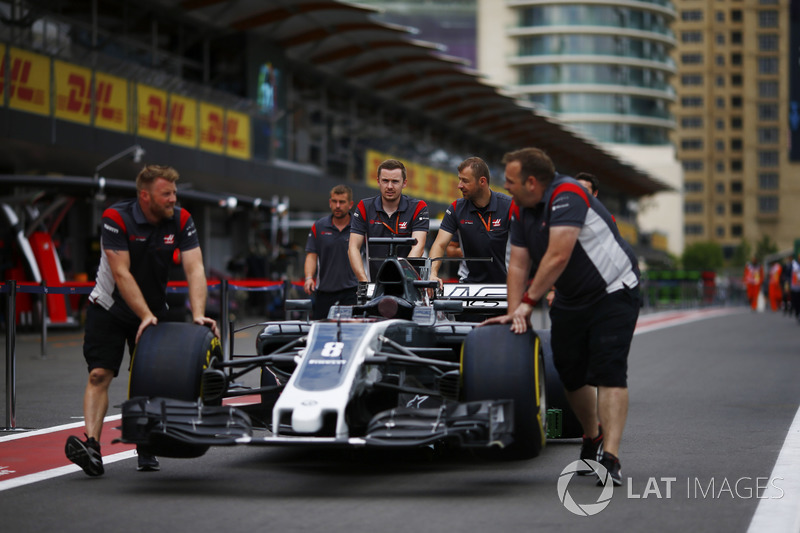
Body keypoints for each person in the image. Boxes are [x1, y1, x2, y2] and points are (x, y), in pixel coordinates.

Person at [486, 147, 640, 486]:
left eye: (510, 181)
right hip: (572, 299)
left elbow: (557, 256)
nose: (505, 187)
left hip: (614, 291)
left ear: (531, 181)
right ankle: (592, 437)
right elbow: (518, 263)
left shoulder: (568, 193)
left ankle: (611, 457)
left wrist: (528, 303)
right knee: (570, 373)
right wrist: (514, 314)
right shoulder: (521, 208)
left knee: (609, 370)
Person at [65, 165, 218, 477]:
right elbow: (121, 273)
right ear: (145, 196)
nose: (173, 199)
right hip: (109, 306)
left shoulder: (182, 219)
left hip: (153, 310)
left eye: (175, 193)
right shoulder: (116, 218)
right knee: (98, 374)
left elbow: (195, 268)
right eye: (167, 194)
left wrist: (198, 313)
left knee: (153, 380)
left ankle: (148, 444)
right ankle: (92, 447)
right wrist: (144, 316)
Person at [428, 157, 513, 287]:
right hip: (468, 285)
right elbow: (440, 244)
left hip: (505, 285)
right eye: (459, 179)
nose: (459, 185)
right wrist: (432, 274)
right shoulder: (456, 208)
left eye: (465, 181)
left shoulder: (509, 206)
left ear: (482, 181)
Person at [349, 159, 429, 282]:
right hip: (374, 285)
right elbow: (353, 247)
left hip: (409, 284)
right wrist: (363, 281)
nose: (389, 186)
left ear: (404, 183)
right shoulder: (364, 207)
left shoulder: (418, 207)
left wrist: (401, 277)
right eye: (385, 181)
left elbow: (418, 246)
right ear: (378, 181)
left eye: (395, 181)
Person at [304, 185, 358, 319]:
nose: (337, 205)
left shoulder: (359, 227)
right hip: (324, 292)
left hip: (352, 291)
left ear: (350, 204)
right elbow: (311, 255)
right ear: (330, 203)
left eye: (342, 202)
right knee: (320, 331)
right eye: (334, 201)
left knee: (351, 332)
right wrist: (309, 277)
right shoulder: (319, 226)